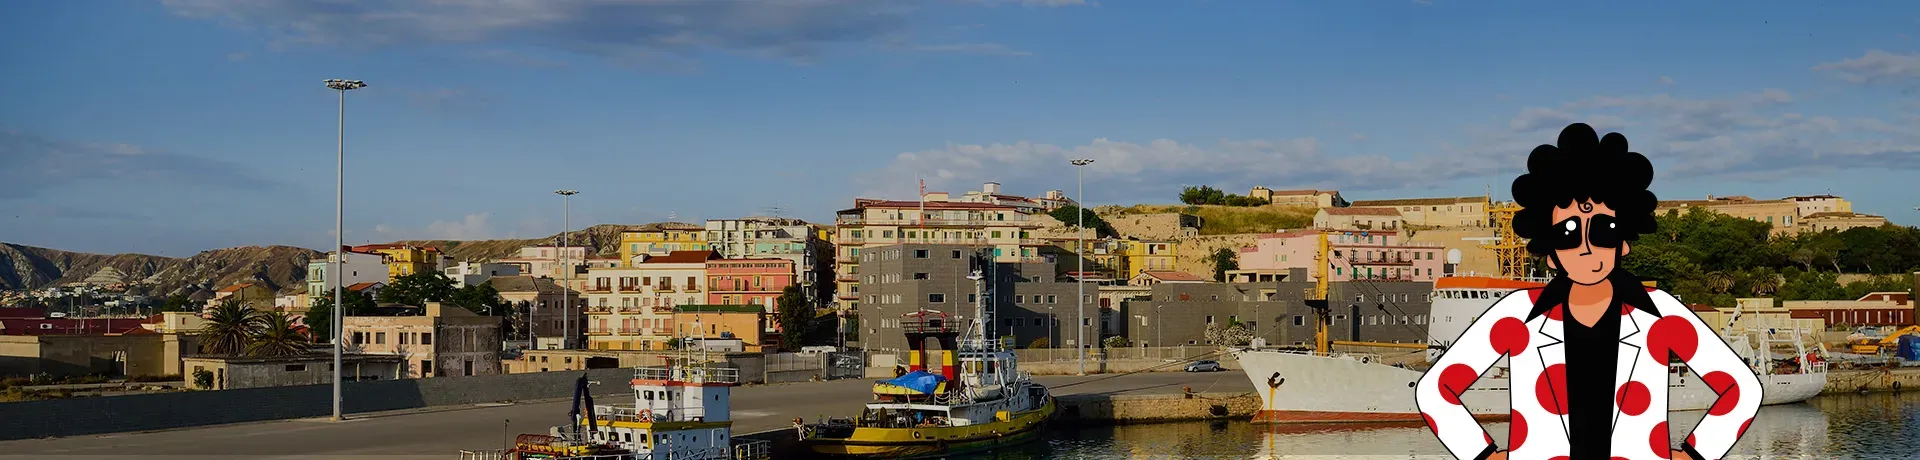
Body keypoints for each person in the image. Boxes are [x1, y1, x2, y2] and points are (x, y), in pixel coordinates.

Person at [1414, 123, 1762, 460]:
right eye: (1567, 234)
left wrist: (1694, 455)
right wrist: (1484, 455)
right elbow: (1436, 391)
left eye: (1603, 230)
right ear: (1550, 253)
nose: (1585, 247)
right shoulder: (1517, 315)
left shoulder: (1660, 314)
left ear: (1623, 243)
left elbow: (1741, 389)